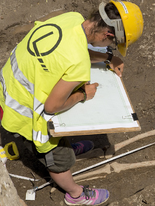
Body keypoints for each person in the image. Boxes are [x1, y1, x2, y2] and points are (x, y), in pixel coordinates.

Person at [0, 0, 143, 205]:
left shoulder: (72, 19)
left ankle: (66, 146)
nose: (109, 47)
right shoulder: (78, 63)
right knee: (59, 160)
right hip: (24, 111)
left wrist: (107, 57)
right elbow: (51, 106)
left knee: (62, 138)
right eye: (111, 45)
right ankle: (75, 194)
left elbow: (67, 51)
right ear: (108, 35)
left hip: (8, 88)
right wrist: (83, 94)